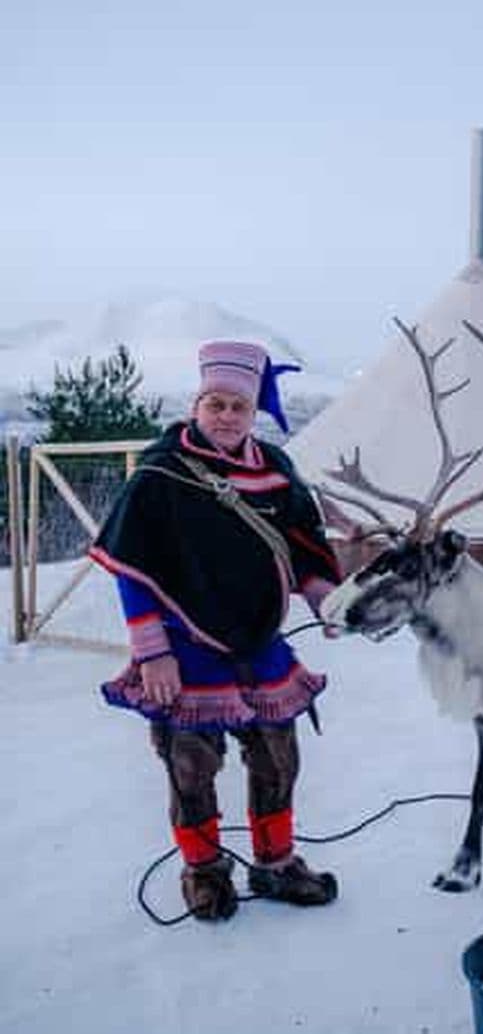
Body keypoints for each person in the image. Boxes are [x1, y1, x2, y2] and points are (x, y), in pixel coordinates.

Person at [90, 340, 342, 921]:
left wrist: (326, 599)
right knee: (190, 764)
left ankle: (276, 864)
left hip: (258, 640)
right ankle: (204, 872)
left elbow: (303, 549)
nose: (226, 416)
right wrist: (152, 653)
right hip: (183, 645)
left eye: (238, 407)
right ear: (197, 404)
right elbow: (134, 568)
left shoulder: (276, 470)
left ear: (254, 412)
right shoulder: (161, 474)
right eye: (216, 404)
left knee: (278, 756)